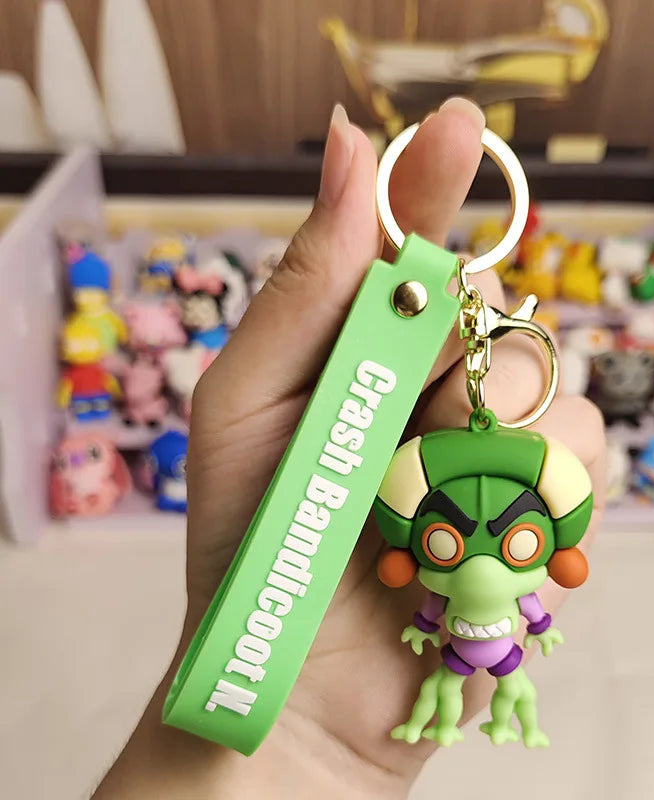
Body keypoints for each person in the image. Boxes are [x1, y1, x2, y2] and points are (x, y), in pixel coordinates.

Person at [94, 98, 606, 799]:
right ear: (411, 552)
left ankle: (498, 718)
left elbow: (512, 609)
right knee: (453, 688)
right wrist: (297, 737)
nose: (484, 560)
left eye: (522, 545)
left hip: (433, 670)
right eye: (446, 543)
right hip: (310, 680)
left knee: (498, 686)